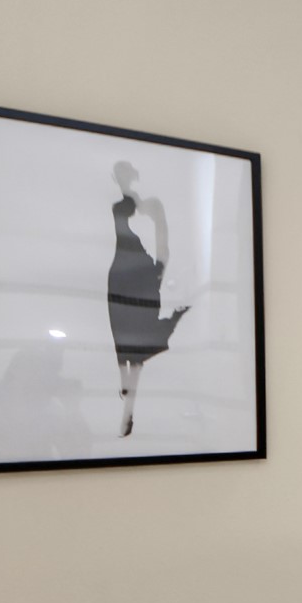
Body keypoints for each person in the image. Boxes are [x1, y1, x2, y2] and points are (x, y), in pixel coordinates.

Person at [106, 160, 190, 437]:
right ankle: (126, 401)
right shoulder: (124, 206)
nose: (122, 180)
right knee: (125, 342)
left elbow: (162, 239)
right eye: (119, 176)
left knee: (136, 349)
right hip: (122, 276)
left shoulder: (148, 205)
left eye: (125, 175)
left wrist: (159, 271)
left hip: (140, 277)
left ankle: (127, 412)